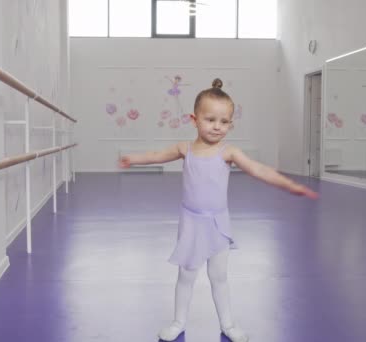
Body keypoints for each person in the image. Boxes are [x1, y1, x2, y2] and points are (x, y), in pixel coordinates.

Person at [118, 78, 318, 342]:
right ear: (194, 119)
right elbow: (156, 155)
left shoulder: (229, 152)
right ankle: (178, 322)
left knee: (219, 276)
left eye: (224, 122)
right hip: (191, 222)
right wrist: (133, 158)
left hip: (217, 223)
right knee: (187, 275)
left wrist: (288, 184)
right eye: (210, 119)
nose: (217, 126)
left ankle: (228, 324)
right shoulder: (184, 149)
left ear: (231, 124)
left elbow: (257, 169)